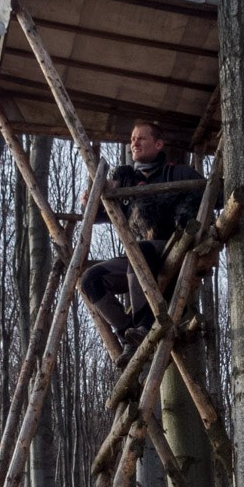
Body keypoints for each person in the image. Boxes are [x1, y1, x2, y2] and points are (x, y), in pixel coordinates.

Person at [79, 120, 205, 357]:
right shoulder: (126, 180)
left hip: (169, 247)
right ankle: (130, 331)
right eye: (132, 138)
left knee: (141, 250)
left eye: (141, 138)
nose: (134, 142)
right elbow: (96, 215)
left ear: (158, 144)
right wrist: (91, 199)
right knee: (89, 279)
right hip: (139, 257)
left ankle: (144, 324)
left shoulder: (176, 172)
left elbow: (212, 196)